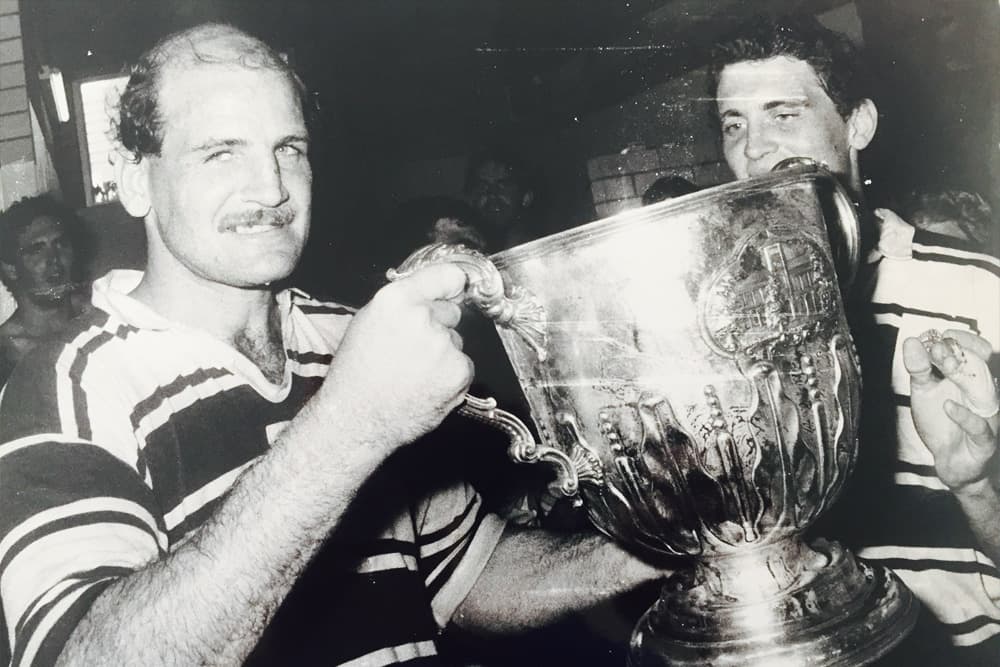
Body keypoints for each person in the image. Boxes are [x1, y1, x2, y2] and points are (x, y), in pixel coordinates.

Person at [0, 23, 662, 666]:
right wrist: (353, 423)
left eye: (289, 148)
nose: (272, 188)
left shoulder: (351, 336)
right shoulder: (69, 386)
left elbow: (472, 573)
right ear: (136, 179)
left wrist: (658, 546)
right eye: (220, 151)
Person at [707, 14, 1000, 663]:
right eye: (734, 125)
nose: (753, 150)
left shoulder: (980, 290)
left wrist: (979, 486)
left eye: (783, 115)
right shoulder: (718, 323)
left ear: (857, 126)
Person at [0, 194, 89, 385]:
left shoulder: (98, 316)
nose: (54, 258)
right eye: (37, 250)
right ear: (11, 269)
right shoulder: (5, 351)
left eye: (60, 243)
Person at [462, 149, 539, 253]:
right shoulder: (466, 254)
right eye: (483, 187)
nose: (492, 195)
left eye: (502, 186)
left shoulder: (541, 251)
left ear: (526, 197)